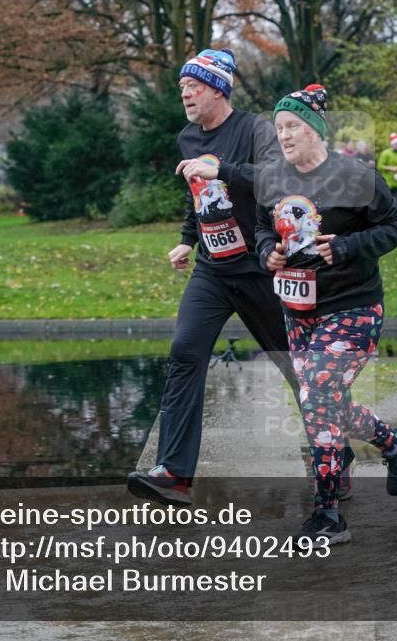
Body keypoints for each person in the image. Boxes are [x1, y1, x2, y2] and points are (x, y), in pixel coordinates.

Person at [126, 50, 356, 506]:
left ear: (218, 89)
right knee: (185, 352)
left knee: (298, 368)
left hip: (262, 267)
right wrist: (187, 239)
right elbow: (198, 193)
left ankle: (338, 457)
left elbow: (277, 176)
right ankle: (174, 473)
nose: (185, 94)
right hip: (213, 270)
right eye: (182, 87)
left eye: (193, 86)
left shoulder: (254, 130)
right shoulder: (188, 137)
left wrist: (223, 169)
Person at [255, 84, 397, 545]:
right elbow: (262, 228)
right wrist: (267, 252)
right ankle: (394, 442)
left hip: (354, 306)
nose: (285, 136)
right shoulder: (271, 178)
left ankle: (327, 514)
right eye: (279, 128)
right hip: (298, 311)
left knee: (317, 395)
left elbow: (395, 227)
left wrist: (346, 247)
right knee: (321, 399)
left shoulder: (357, 177)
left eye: (293, 126)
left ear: (315, 130)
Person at [377, 132, 397, 209]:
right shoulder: (385, 153)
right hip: (389, 182)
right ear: (392, 144)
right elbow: (379, 166)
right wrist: (391, 168)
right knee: (390, 202)